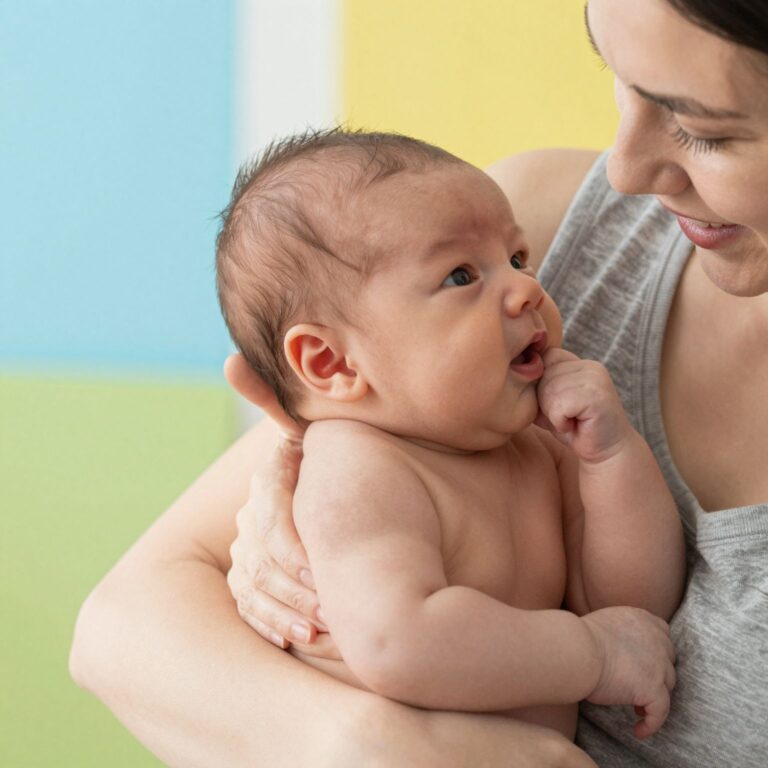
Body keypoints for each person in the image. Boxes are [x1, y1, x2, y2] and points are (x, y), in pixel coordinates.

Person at [70, 0, 768, 766]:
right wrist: (374, 745)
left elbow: (629, 600)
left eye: (705, 133)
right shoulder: (532, 236)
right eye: (618, 79)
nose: (629, 167)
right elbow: (123, 630)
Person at [213, 128, 683, 741]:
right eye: (462, 276)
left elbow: (629, 607)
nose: (527, 290)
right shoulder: (356, 468)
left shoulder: (534, 447)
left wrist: (611, 458)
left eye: (518, 259)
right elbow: (397, 640)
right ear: (333, 364)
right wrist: (593, 654)